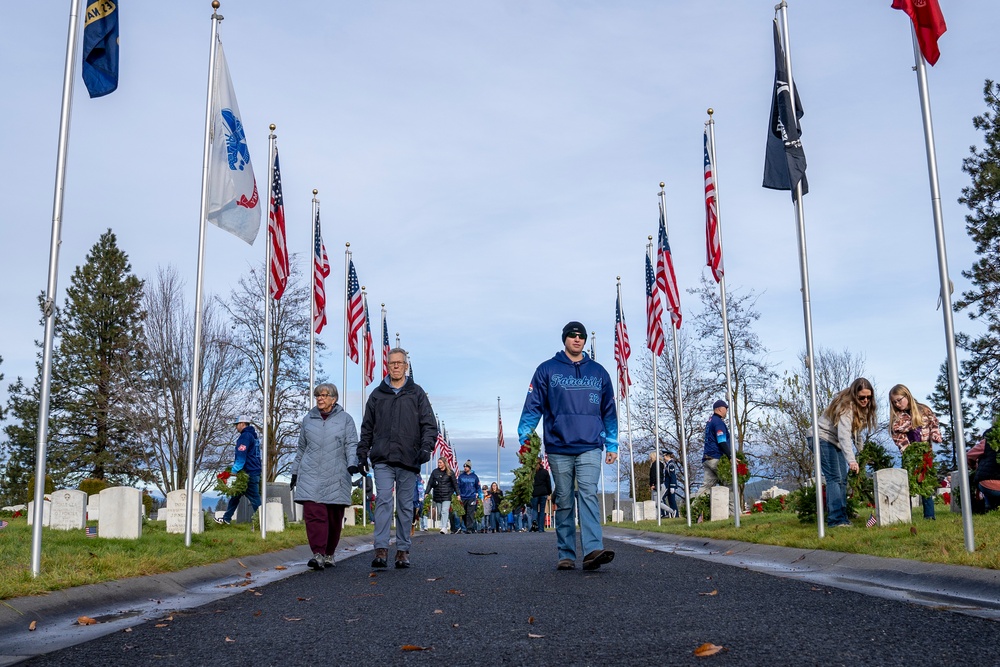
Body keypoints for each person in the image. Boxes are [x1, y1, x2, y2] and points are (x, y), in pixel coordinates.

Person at [518, 321, 618, 571]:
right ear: (564, 339)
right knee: (563, 499)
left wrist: (613, 443)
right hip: (559, 446)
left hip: (590, 445)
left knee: (588, 495)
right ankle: (566, 553)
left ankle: (593, 549)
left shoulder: (599, 373)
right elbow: (533, 407)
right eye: (572, 336)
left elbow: (609, 411)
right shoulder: (547, 370)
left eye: (581, 336)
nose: (577, 339)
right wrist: (525, 439)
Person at [356, 347, 437, 569]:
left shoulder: (416, 393)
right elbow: (367, 428)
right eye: (392, 363)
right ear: (388, 365)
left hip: (409, 458)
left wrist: (425, 449)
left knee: (404, 505)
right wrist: (362, 453)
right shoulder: (377, 394)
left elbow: (430, 426)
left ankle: (402, 550)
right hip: (382, 458)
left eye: (399, 363)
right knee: (382, 500)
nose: (396, 366)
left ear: (406, 365)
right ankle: (380, 549)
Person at [289, 383, 358, 571]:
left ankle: (329, 553)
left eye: (324, 395)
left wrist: (353, 463)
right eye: (317, 395)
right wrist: (295, 472)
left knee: (334, 517)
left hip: (337, 473)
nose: (320, 398)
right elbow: (301, 448)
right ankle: (317, 554)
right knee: (314, 514)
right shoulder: (308, 419)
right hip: (310, 473)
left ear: (334, 399)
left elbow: (352, 444)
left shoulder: (345, 419)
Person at [810, 378, 877, 528]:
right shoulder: (846, 407)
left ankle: (842, 517)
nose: (865, 400)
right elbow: (844, 435)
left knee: (843, 480)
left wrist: (863, 453)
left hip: (835, 441)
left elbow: (856, 434)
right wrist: (852, 461)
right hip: (821, 438)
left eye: (868, 397)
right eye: (862, 397)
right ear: (854, 394)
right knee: (835, 478)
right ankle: (835, 520)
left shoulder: (861, 409)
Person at [888, 384, 943, 520]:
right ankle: (906, 516)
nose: (897, 404)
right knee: (908, 484)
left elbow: (934, 425)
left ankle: (929, 516)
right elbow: (898, 437)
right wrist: (908, 451)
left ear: (907, 396)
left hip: (926, 452)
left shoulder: (924, 410)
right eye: (894, 402)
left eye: (899, 400)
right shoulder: (897, 418)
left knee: (926, 483)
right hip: (909, 455)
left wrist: (935, 435)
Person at [215, 415, 262, 525]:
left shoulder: (245, 436)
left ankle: (264, 522)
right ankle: (226, 519)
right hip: (254, 470)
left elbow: (241, 454)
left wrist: (234, 470)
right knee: (235, 496)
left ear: (242, 424)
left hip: (248, 472)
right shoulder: (254, 436)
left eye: (237, 425)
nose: (236, 427)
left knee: (255, 499)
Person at [698, 400, 732, 497]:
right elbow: (721, 440)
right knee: (730, 483)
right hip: (716, 458)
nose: (727, 411)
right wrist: (730, 456)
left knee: (706, 488)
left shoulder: (710, 421)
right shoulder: (718, 422)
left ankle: (694, 509)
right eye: (726, 408)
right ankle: (733, 511)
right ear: (720, 409)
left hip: (707, 458)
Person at [966, 427, 1000, 511]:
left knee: (986, 484)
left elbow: (968, 456)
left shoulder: (985, 443)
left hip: (988, 485)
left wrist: (974, 467)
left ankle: (989, 507)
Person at [425, 457, 459, 534]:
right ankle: (445, 524)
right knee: (440, 512)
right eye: (438, 463)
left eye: (440, 462)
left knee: (444, 510)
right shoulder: (435, 472)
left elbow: (455, 484)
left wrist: (458, 494)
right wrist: (426, 492)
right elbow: (430, 483)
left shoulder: (450, 472)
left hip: (447, 495)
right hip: (437, 495)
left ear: (444, 463)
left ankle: (444, 527)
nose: (439, 464)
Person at [649, 451, 679, 519]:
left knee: (664, 500)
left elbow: (672, 476)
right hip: (665, 485)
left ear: (667, 456)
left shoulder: (671, 464)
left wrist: (672, 486)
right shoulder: (667, 464)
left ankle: (672, 512)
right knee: (668, 500)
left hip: (668, 485)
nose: (664, 457)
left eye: (664, 456)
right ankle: (671, 513)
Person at [456, 461, 481, 534]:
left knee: (470, 513)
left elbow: (478, 486)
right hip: (463, 497)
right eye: (464, 467)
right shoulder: (461, 476)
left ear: (469, 468)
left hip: (472, 497)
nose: (465, 468)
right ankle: (466, 526)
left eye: (466, 467)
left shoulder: (474, 476)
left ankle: (469, 528)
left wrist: (479, 494)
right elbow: (458, 486)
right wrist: (457, 494)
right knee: (464, 513)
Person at [530, 458, 552, 532]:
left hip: (534, 493)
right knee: (542, 511)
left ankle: (534, 521)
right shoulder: (545, 472)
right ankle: (541, 528)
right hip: (543, 492)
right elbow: (548, 483)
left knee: (535, 509)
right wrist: (549, 492)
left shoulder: (532, 472)